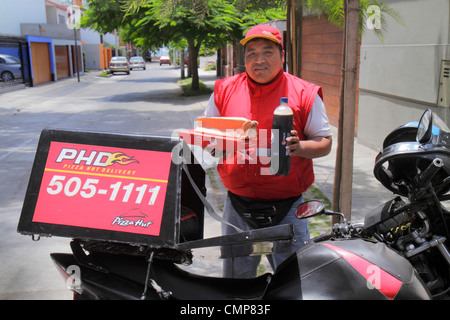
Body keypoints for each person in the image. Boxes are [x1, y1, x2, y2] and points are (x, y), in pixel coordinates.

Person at [202, 24, 332, 278]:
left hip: (289, 209)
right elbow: (209, 138)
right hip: (237, 207)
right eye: (251, 53)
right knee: (236, 285)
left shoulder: (304, 93)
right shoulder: (224, 90)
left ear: (282, 56)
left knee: (292, 283)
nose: (258, 60)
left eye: (267, 52)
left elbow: (324, 143)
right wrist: (210, 144)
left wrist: (300, 147)